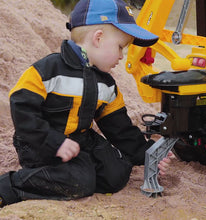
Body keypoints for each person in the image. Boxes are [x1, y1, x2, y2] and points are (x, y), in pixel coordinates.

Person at [0, 0, 173, 207]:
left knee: (116, 173)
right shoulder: (47, 70)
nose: (120, 56)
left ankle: (76, 171)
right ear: (98, 38)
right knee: (80, 181)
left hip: (80, 140)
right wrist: (55, 142)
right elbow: (22, 109)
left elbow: (120, 129)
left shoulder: (106, 84)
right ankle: (9, 188)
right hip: (40, 142)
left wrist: (147, 154)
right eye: (120, 47)